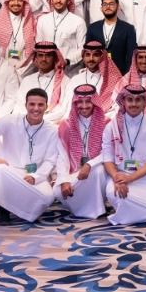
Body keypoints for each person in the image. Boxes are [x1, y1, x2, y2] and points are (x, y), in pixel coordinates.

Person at [102, 85, 146, 225]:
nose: (134, 104)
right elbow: (108, 158)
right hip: (121, 176)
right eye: (130, 99)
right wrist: (117, 178)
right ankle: (133, 211)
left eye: (138, 100)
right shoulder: (112, 126)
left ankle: (125, 214)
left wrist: (130, 178)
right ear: (123, 102)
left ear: (145, 102)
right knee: (113, 193)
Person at [55, 84, 109, 220]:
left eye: (88, 101)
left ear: (95, 102)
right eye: (80, 102)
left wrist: (90, 164)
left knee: (98, 172)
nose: (84, 106)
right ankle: (81, 208)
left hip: (97, 168)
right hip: (75, 170)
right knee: (57, 191)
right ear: (75, 102)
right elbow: (61, 156)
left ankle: (97, 208)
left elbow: (109, 151)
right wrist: (63, 180)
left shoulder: (106, 123)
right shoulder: (66, 125)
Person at [86, 0, 138, 75]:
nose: (108, 7)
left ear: (118, 6)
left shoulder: (128, 29)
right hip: (97, 74)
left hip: (120, 74)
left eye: (111, 4)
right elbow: (87, 53)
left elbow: (131, 56)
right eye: (105, 4)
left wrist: (126, 76)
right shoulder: (92, 28)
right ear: (101, 8)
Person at [37, 0, 87, 67]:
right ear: (51, 0)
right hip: (47, 68)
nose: (58, 1)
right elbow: (38, 45)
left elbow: (83, 49)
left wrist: (67, 61)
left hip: (70, 69)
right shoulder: (42, 20)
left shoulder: (78, 22)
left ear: (68, 0)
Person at [0, 0, 37, 70]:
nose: (16, 3)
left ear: (24, 2)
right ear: (7, 1)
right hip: (0, 69)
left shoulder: (31, 22)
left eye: (19, 0)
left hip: (24, 69)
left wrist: (22, 68)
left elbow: (32, 49)